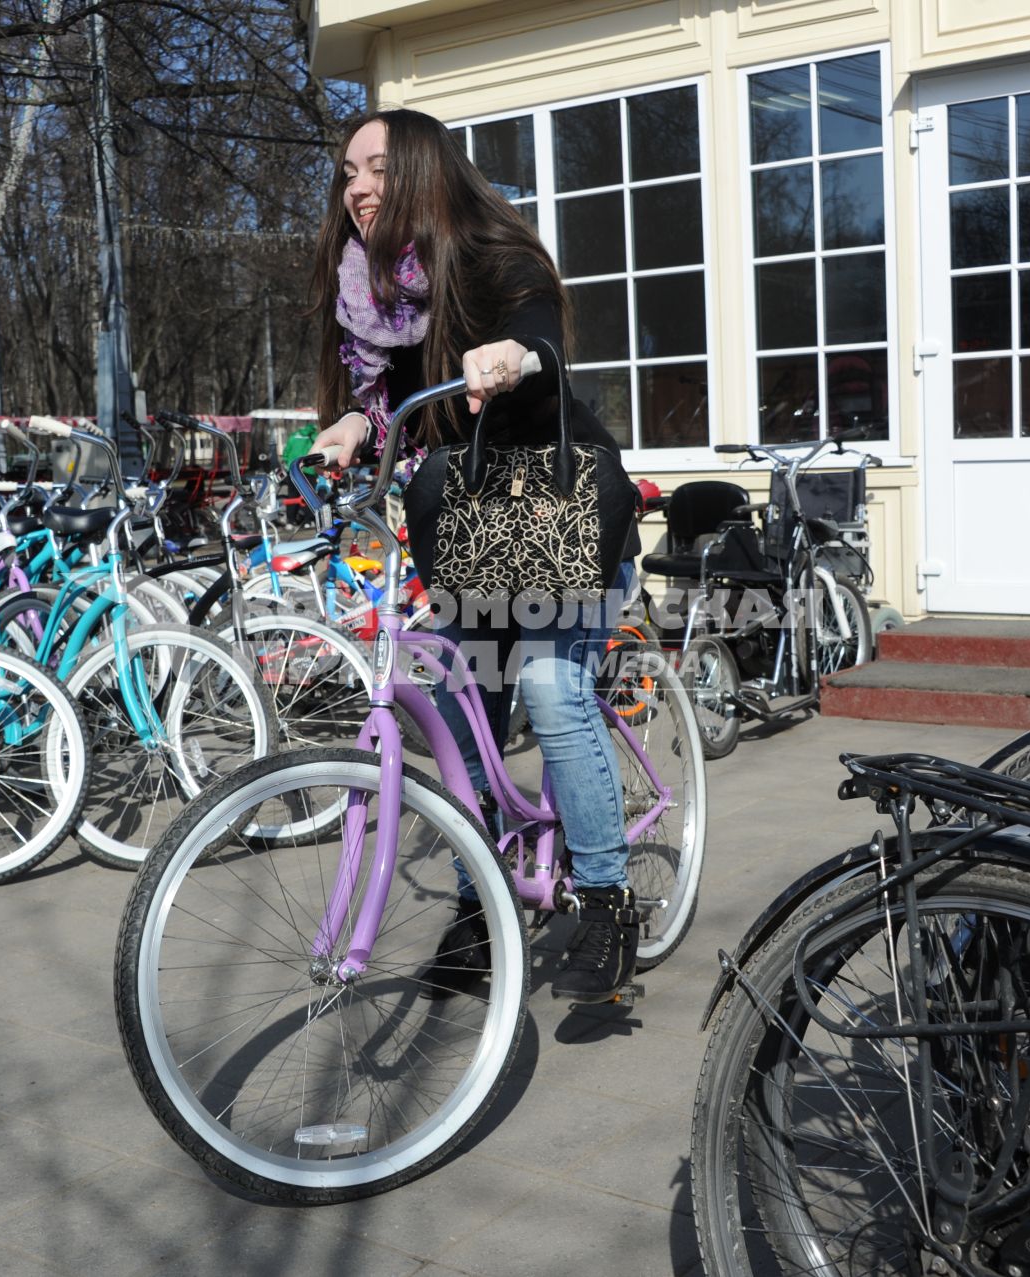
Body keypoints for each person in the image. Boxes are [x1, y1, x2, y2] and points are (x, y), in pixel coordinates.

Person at [308, 108, 640, 1003]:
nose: (358, 188)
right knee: (458, 712)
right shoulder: (373, 298)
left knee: (546, 685)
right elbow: (391, 405)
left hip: (564, 520)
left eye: (376, 167)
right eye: (347, 173)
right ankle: (478, 905)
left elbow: (540, 333)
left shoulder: (498, 258)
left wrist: (512, 353)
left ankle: (609, 897)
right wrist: (350, 423)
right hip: (476, 535)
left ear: (422, 170)